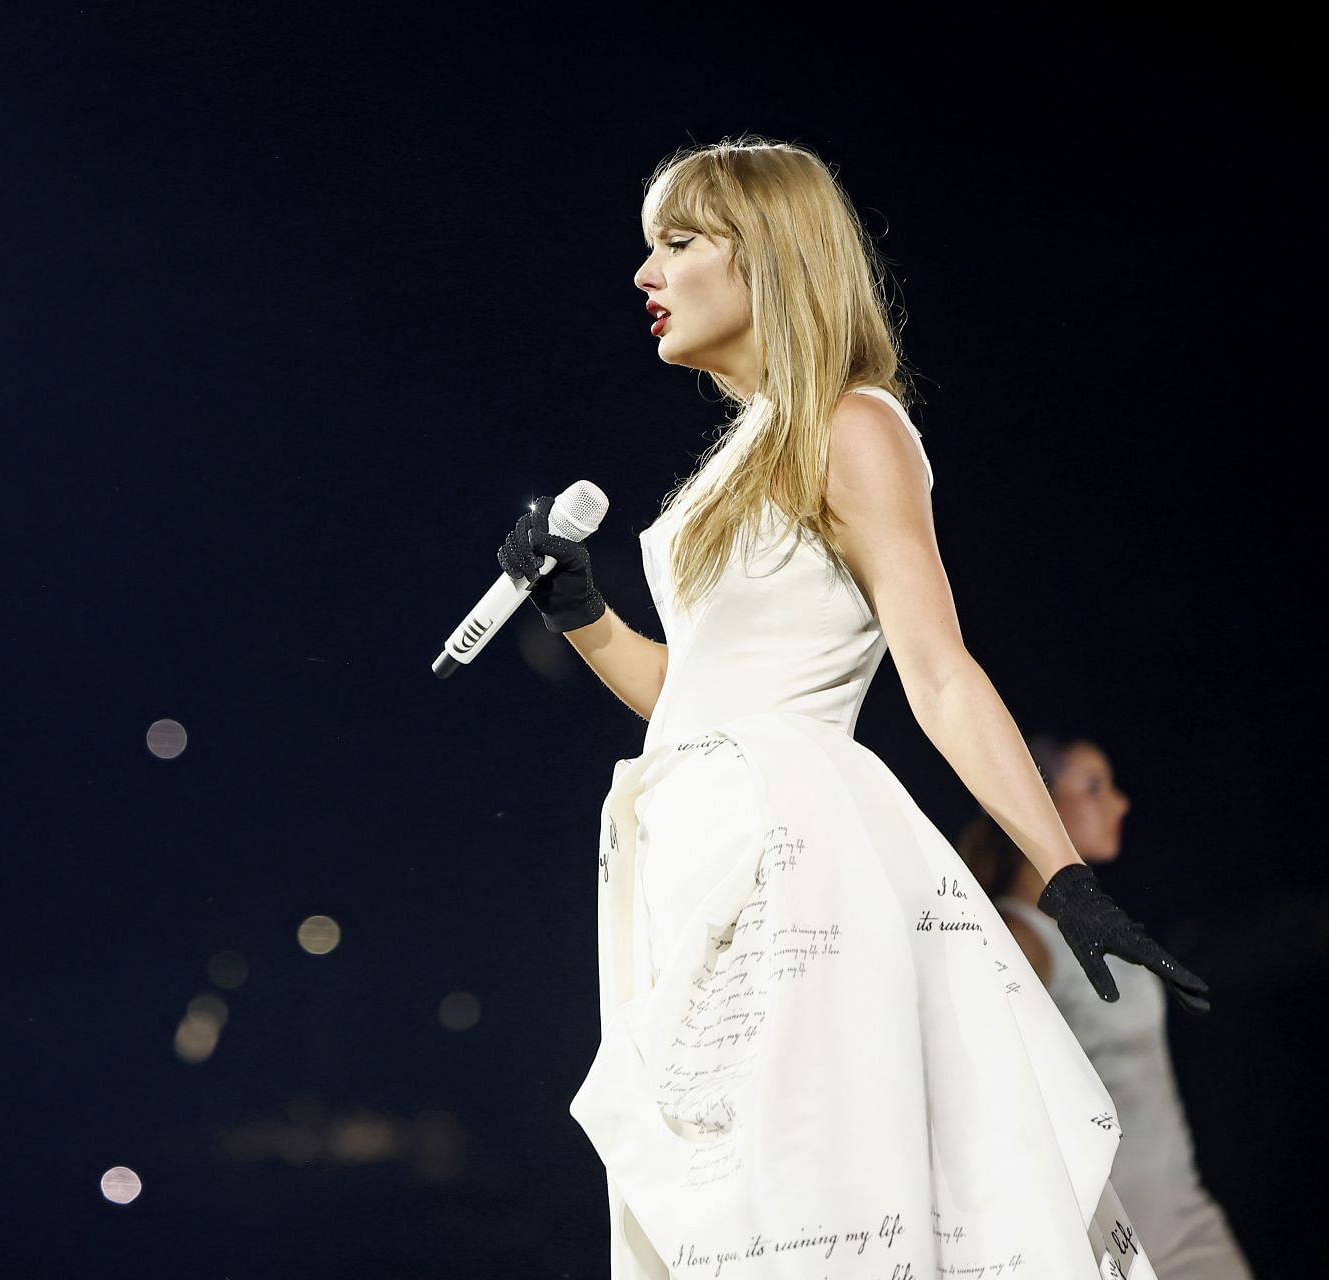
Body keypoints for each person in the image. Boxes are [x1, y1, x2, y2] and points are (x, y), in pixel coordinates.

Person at [493, 137, 1209, 1279]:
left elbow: (937, 668)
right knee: (736, 1221)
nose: (646, 273)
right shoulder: (745, 450)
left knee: (814, 1209)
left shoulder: (852, 423)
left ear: (770, 256)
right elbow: (700, 698)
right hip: (697, 846)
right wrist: (582, 613)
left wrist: (1062, 871)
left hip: (796, 864)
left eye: (678, 243)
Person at [958, 738, 1254, 1279]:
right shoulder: (1018, 935)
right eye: (1093, 787)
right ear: (1036, 797)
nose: (1119, 803)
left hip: (1181, 1209)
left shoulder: (1092, 929)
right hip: (1109, 1228)